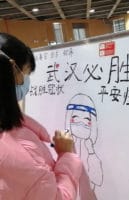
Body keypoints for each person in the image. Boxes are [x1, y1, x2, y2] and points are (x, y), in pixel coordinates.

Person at [0, 33, 83, 200]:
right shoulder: (21, 158)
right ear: (11, 72)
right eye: (25, 74)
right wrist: (67, 157)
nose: (26, 82)